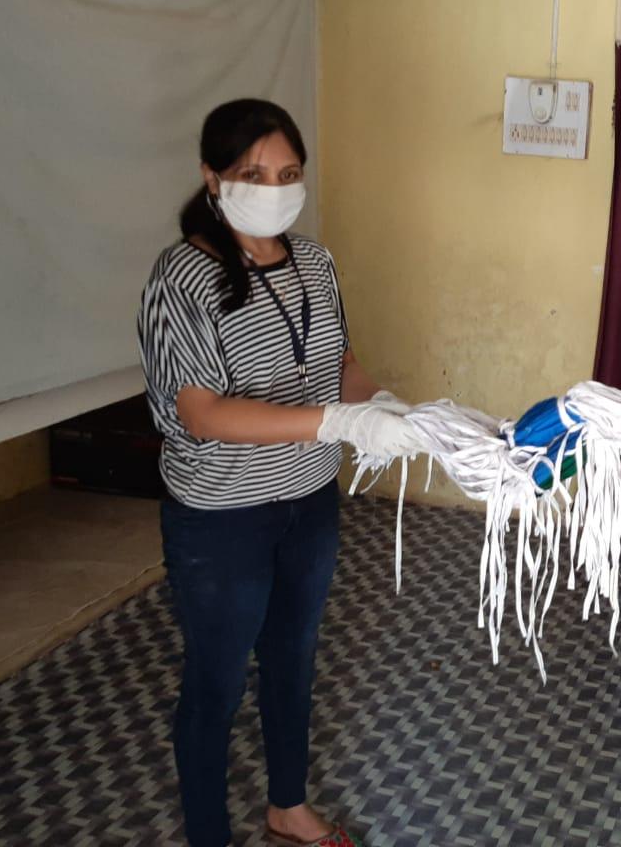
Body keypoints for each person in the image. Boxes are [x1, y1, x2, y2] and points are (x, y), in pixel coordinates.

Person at [138, 98, 416, 847]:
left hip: (309, 502)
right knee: (218, 679)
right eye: (252, 173)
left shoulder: (315, 263)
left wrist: (382, 406)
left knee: (293, 658)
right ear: (212, 177)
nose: (274, 188)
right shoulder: (183, 277)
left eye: (288, 173)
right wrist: (335, 423)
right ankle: (208, 834)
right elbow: (202, 412)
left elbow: (339, 364)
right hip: (221, 517)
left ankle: (287, 806)